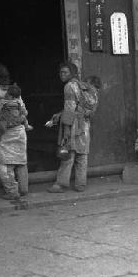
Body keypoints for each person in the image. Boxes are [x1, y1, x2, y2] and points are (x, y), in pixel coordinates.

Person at [46, 62, 97, 193]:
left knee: (68, 154)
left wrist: (67, 130)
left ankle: (61, 184)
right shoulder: (83, 86)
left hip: (74, 124)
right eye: (61, 72)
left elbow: (69, 109)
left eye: (65, 72)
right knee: (82, 154)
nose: (62, 74)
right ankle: (81, 184)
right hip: (85, 124)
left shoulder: (69, 86)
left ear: (72, 74)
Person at [0, 63, 29, 200]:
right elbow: (24, 111)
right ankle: (24, 189)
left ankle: (11, 191)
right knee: (21, 161)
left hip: (2, 131)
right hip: (20, 131)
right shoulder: (15, 91)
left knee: (4, 163)